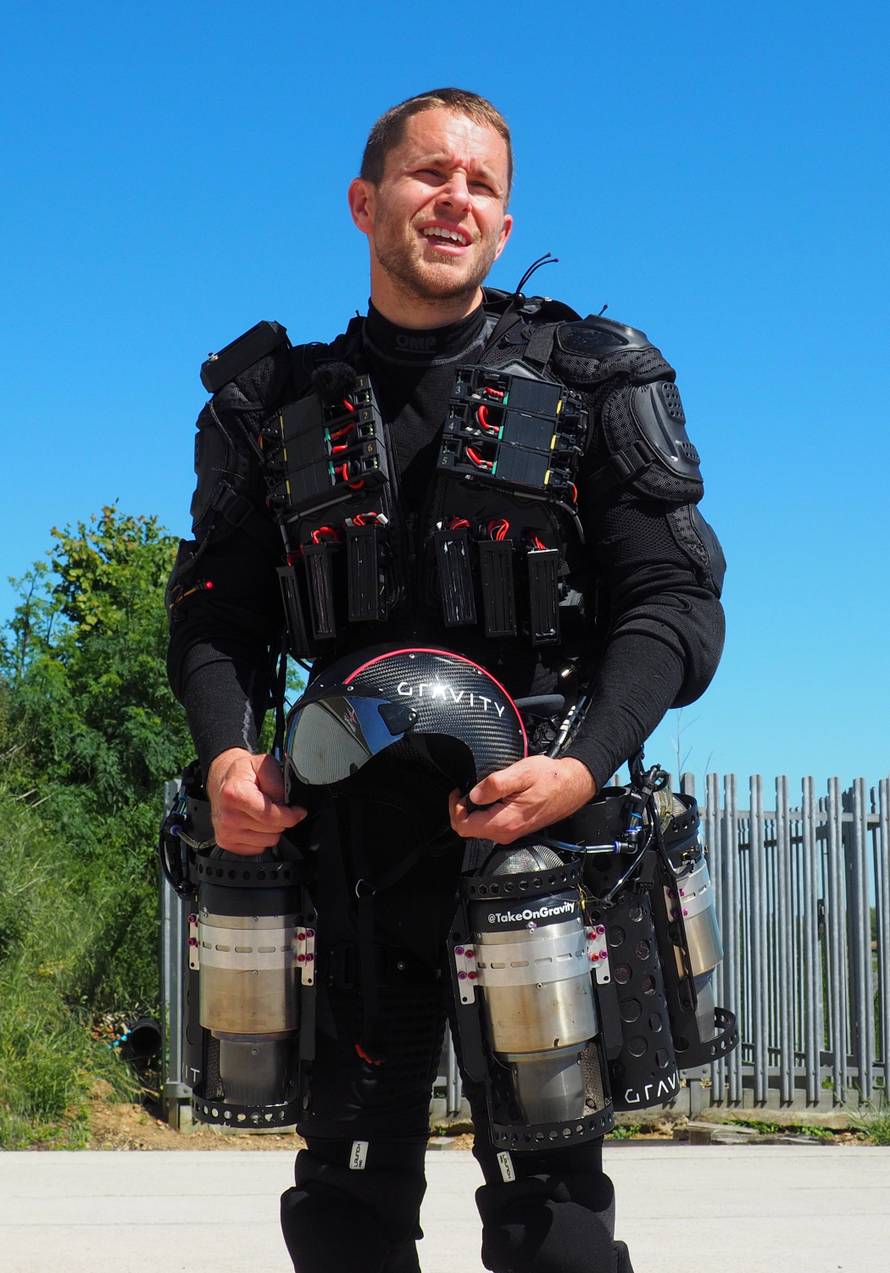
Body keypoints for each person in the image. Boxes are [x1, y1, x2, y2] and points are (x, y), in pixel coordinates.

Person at [167, 88, 725, 1273]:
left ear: (505, 224)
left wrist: (579, 765)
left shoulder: (592, 382)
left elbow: (674, 609)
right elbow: (215, 614)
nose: (453, 199)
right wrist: (226, 753)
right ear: (366, 201)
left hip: (530, 837)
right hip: (343, 856)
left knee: (555, 1228)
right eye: (428, 175)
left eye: (479, 183)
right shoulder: (270, 406)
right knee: (343, 1212)